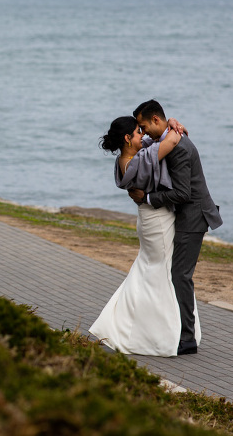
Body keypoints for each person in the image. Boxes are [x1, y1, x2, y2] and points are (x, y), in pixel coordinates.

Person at [88, 115, 193, 356]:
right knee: (159, 272)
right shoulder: (140, 161)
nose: (143, 135)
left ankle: (126, 324)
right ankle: (157, 332)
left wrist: (171, 120)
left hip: (147, 219)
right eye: (138, 132)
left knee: (148, 269)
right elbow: (172, 140)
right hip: (157, 220)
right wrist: (173, 125)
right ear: (127, 138)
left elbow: (158, 141)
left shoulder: (124, 161)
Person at [129, 100, 222, 355]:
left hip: (193, 218)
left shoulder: (178, 148)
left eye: (144, 126)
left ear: (156, 120)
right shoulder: (166, 137)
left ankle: (188, 338)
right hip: (185, 216)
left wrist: (146, 199)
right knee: (175, 274)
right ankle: (179, 330)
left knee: (180, 275)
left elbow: (182, 193)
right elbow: (138, 144)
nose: (144, 131)